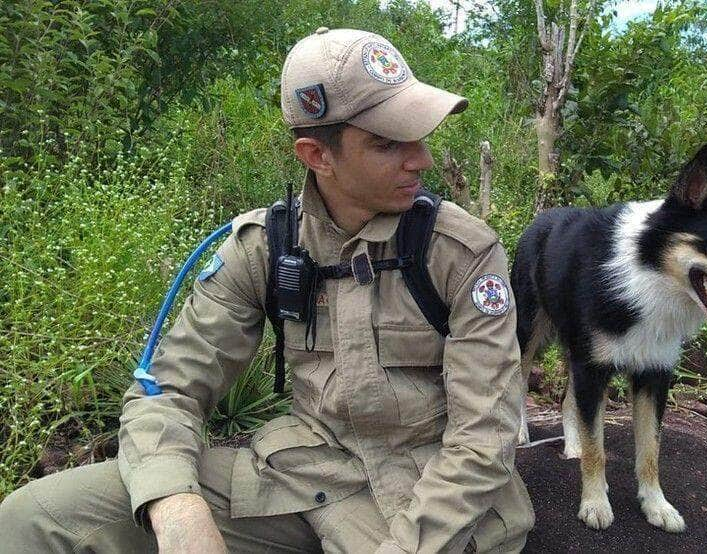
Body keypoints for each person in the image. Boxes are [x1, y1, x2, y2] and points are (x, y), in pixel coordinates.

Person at [0, 27, 534, 553]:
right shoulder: (265, 246)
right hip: (302, 479)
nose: (421, 159)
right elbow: (169, 389)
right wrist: (175, 505)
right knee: (34, 519)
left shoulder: (459, 251)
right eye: (388, 143)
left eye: (419, 135)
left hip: (428, 500)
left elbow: (482, 441)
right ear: (317, 156)